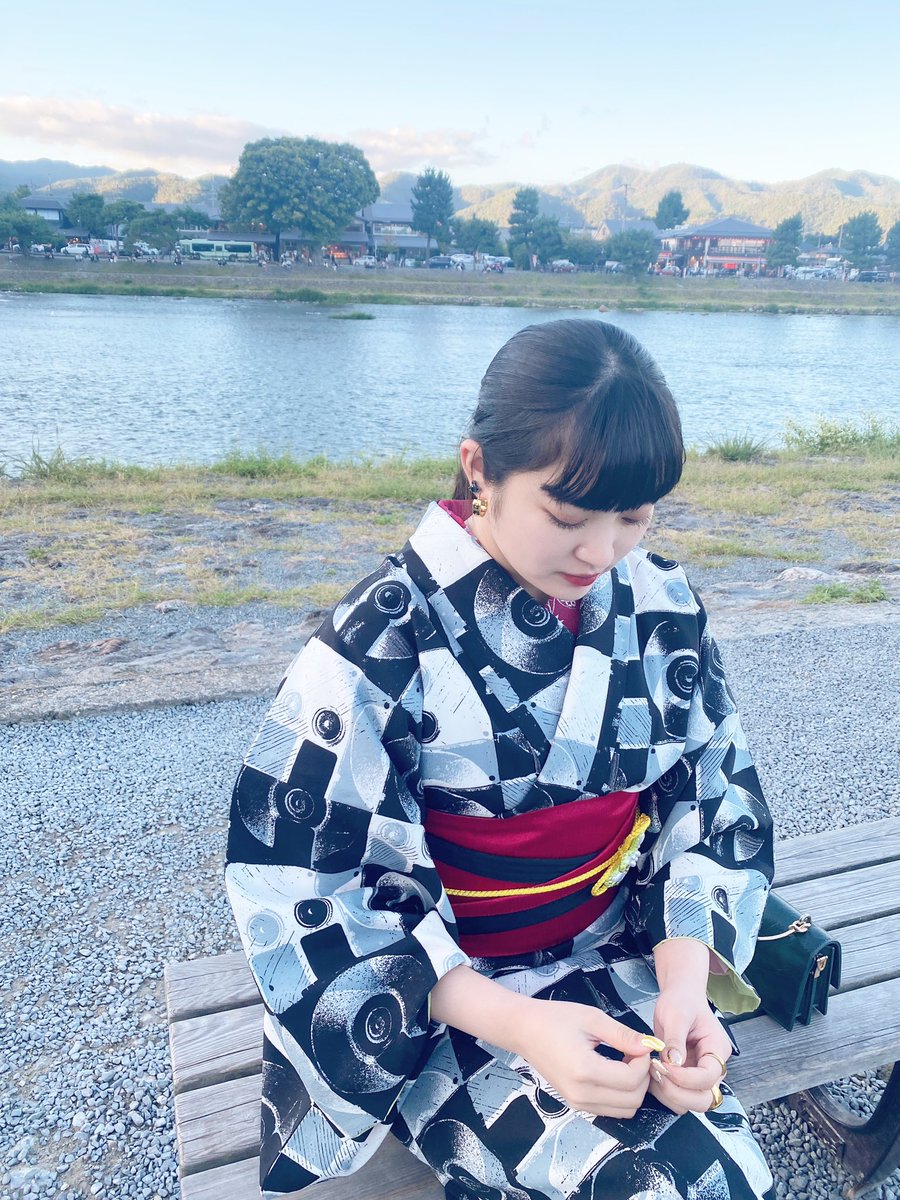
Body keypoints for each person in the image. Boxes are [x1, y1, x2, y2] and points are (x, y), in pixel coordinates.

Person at [225, 319, 775, 1200]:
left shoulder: (662, 605)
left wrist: (684, 991)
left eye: (633, 517)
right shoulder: (378, 640)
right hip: (450, 998)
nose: (602, 552)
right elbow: (309, 884)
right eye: (567, 515)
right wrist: (523, 1026)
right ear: (479, 469)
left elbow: (705, 798)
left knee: (725, 1179)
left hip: (619, 951)